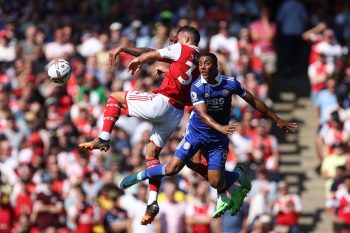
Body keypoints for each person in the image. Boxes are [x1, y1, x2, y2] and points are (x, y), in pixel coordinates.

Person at [120, 53, 298, 218]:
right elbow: (203, 115)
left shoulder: (231, 83)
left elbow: (253, 101)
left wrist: (277, 119)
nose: (203, 67)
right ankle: (139, 176)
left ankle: (237, 175)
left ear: (216, 65)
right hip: (196, 134)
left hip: (217, 140)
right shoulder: (198, 86)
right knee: (173, 168)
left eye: (207, 63)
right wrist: (220, 127)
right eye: (201, 64)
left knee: (215, 181)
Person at [79, 26, 201, 225]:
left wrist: (137, 59)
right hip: (175, 114)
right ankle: (152, 201)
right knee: (151, 155)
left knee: (114, 98)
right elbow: (179, 72)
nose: (172, 43)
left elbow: (150, 53)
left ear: (185, 38)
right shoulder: (201, 62)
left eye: (175, 39)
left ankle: (104, 138)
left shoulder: (182, 49)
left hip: (162, 103)